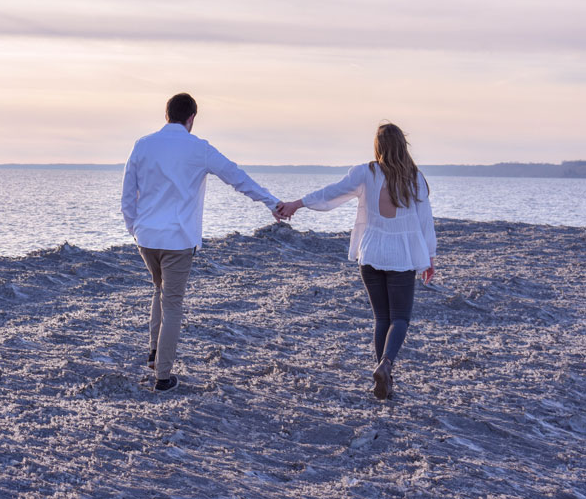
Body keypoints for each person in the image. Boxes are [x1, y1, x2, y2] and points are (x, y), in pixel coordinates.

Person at [121, 93, 283, 393]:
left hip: (147, 238)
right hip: (178, 240)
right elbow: (238, 179)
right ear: (192, 118)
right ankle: (163, 377)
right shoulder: (199, 149)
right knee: (172, 303)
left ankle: (155, 353)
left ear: (166, 114)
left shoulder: (143, 145)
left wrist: (135, 229)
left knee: (159, 290)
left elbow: (128, 194)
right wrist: (272, 203)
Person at [277, 123, 436, 400]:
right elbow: (425, 223)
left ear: (379, 146)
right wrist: (429, 258)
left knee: (381, 318)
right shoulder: (416, 178)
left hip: (372, 253)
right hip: (402, 256)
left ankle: (383, 376)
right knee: (400, 318)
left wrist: (297, 204)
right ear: (403, 145)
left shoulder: (366, 172)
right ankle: (385, 365)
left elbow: (332, 193)